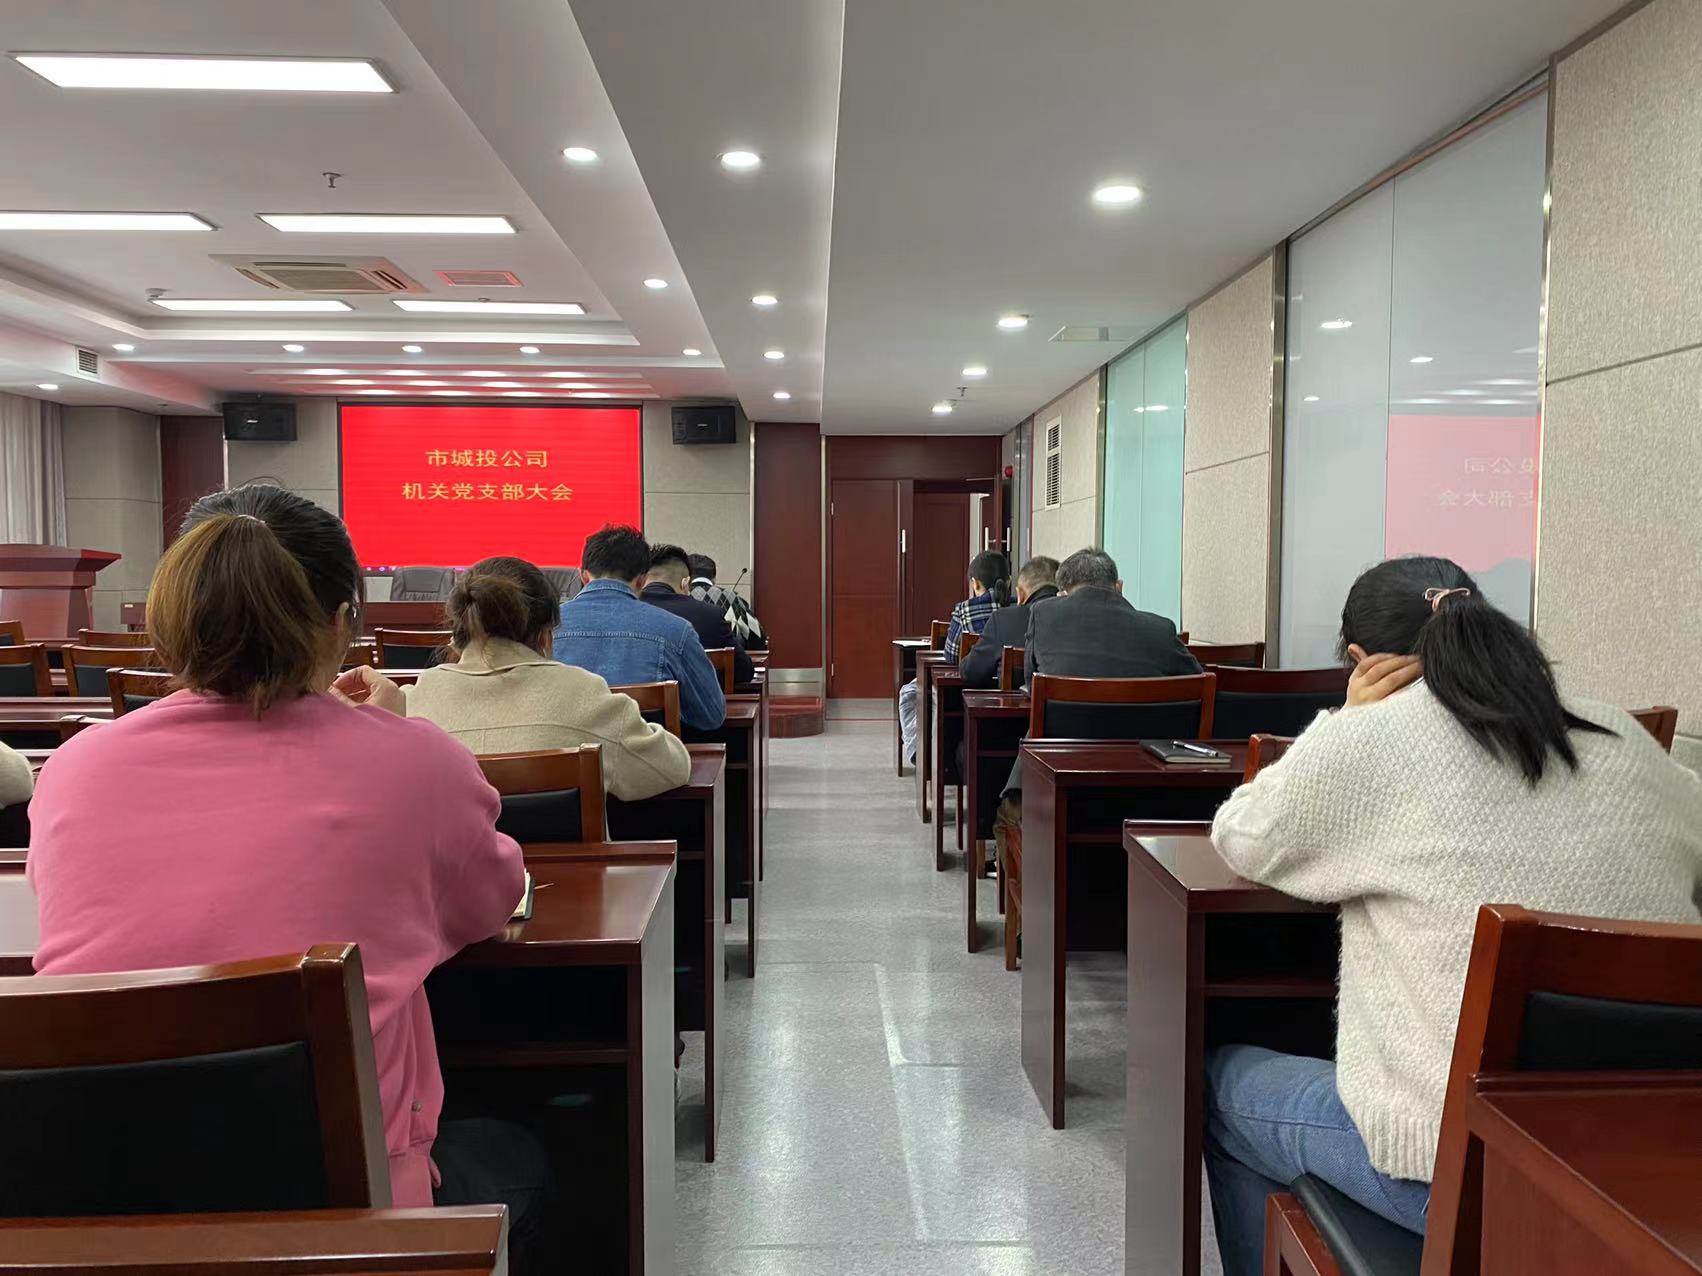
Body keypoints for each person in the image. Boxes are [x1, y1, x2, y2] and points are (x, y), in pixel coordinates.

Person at [26, 484, 556, 1272]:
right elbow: (491, 902)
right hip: (352, 1215)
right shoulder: (415, 763)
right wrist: (392, 738)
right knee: (523, 1158)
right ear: (342, 621)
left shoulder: (74, 769)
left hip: (96, 1206)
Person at [1202, 555, 1702, 1276]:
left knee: (1223, 1084)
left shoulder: (1374, 738)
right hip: (1650, 1171)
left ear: (1359, 660)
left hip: (1459, 1173)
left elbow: (1242, 834)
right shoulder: (1621, 736)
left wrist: (1345, 719)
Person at [407, 555, 691, 800]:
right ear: (545, 635)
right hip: (559, 851)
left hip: (451, 852)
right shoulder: (583, 693)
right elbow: (670, 768)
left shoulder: (411, 704)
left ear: (457, 637)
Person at [554, 524, 725, 731]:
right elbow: (712, 715)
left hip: (563, 749)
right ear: (642, 581)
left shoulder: (546, 627)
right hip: (644, 751)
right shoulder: (676, 631)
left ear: (583, 576)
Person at [898, 550, 1009, 763]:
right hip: (1007, 691)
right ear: (1009, 580)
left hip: (969, 686)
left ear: (975, 583)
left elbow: (951, 655)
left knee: (909, 692)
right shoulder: (1018, 608)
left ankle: (918, 753)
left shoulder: (966, 609)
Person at [643, 544, 754, 685]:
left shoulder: (624, 613)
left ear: (642, 580)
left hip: (633, 698)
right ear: (685, 583)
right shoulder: (711, 614)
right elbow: (743, 671)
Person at [960, 555, 1058, 689]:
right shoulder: (1076, 618)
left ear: (1020, 595)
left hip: (1016, 701)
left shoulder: (1003, 619)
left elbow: (971, 672)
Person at [689, 553, 767, 650]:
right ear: (714, 579)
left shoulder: (680, 596)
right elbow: (757, 636)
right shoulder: (731, 597)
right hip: (726, 660)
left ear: (686, 577)